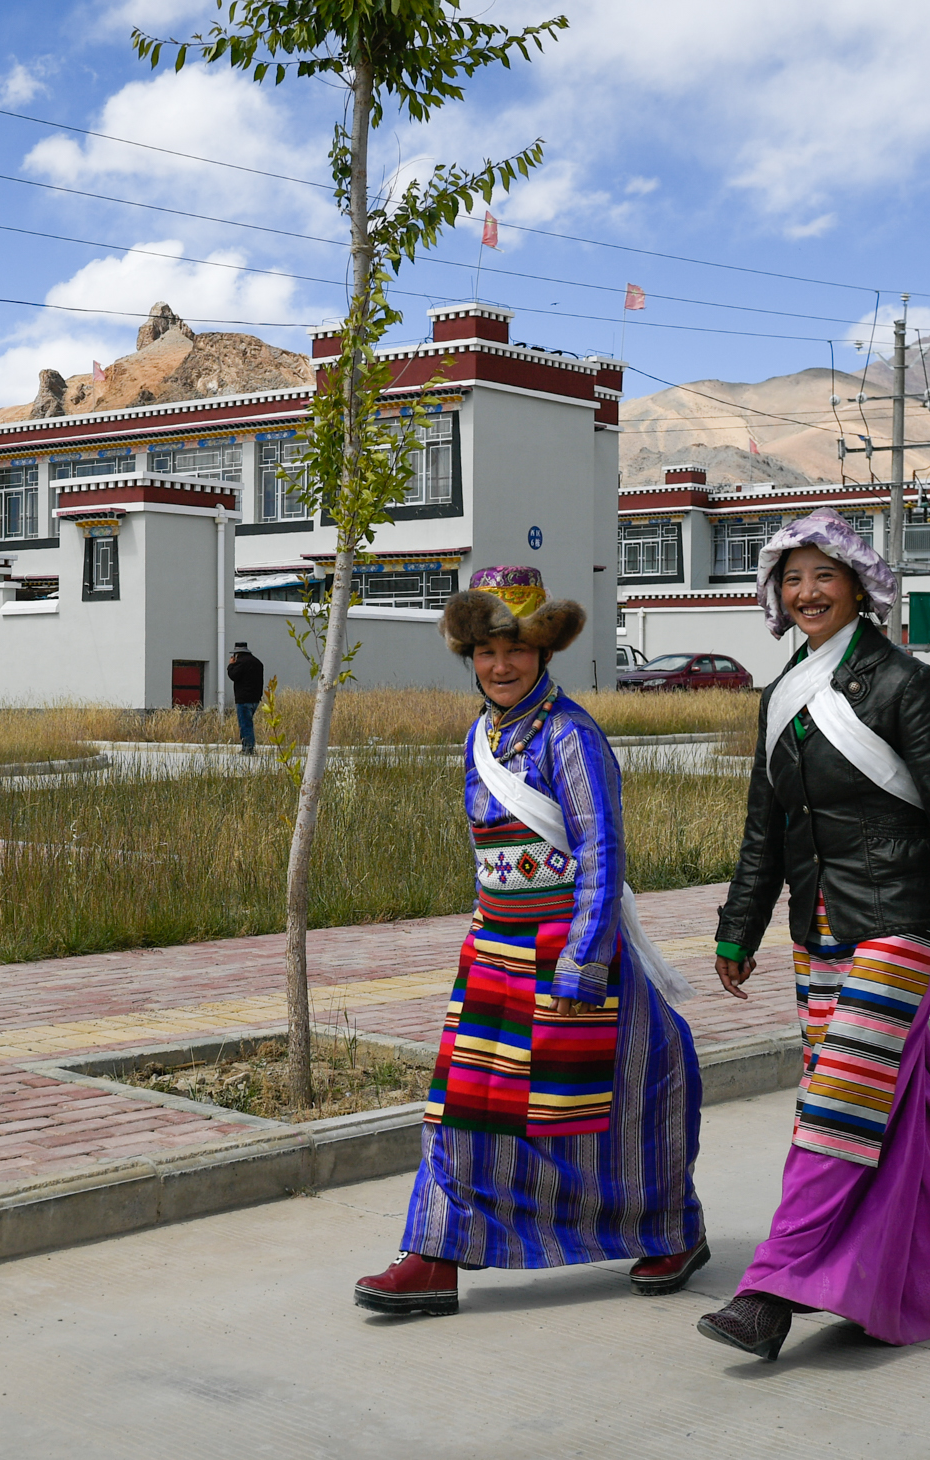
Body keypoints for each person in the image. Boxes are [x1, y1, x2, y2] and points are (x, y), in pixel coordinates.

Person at [696, 508, 930, 1362]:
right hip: (819, 927)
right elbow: (765, 830)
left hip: (902, 922)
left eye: (822, 576)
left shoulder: (907, 686)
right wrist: (739, 928)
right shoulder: (779, 698)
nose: (806, 592)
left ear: (859, 587)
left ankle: (771, 1287)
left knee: (838, 1101)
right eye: (791, 579)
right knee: (893, 1101)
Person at [354, 564, 708, 1316]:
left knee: (619, 1105)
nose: (501, 665)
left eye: (516, 649)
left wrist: (582, 966)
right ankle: (434, 1254)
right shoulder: (481, 736)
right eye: (485, 651)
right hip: (496, 952)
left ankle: (670, 1229)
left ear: (545, 653)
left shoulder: (572, 737)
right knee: (464, 1108)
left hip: (572, 954)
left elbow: (600, 853)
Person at [226, 642, 265, 755]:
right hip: (255, 698)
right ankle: (248, 747)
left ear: (237, 654)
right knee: (248, 722)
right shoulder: (258, 663)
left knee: (245, 724)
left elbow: (233, 675)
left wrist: (231, 665)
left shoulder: (241, 663)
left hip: (243, 699)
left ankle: (248, 748)